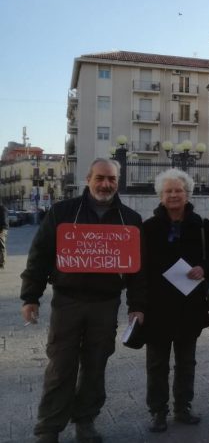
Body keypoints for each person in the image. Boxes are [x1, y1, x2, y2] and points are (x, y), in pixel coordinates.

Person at [20, 158, 145, 443]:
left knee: (95, 365)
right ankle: (49, 427)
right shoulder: (62, 212)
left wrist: (137, 306)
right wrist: (31, 297)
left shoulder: (130, 219)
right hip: (67, 301)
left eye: (111, 179)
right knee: (60, 365)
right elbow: (39, 256)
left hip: (106, 303)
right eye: (100, 177)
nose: (106, 184)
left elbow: (138, 270)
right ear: (88, 179)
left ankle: (85, 420)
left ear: (117, 181)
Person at [142, 169, 209, 432]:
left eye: (178, 190)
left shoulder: (201, 225)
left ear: (187, 193)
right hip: (157, 306)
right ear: (161, 196)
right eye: (168, 191)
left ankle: (183, 407)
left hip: (189, 305)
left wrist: (203, 268)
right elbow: (139, 269)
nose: (173, 195)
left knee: (186, 361)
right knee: (157, 363)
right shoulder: (147, 228)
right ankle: (158, 411)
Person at [0, 203, 7, 270]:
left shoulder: (2, 208)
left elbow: (4, 220)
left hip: (2, 229)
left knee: (1, 246)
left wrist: (1, 230)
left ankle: (2, 263)